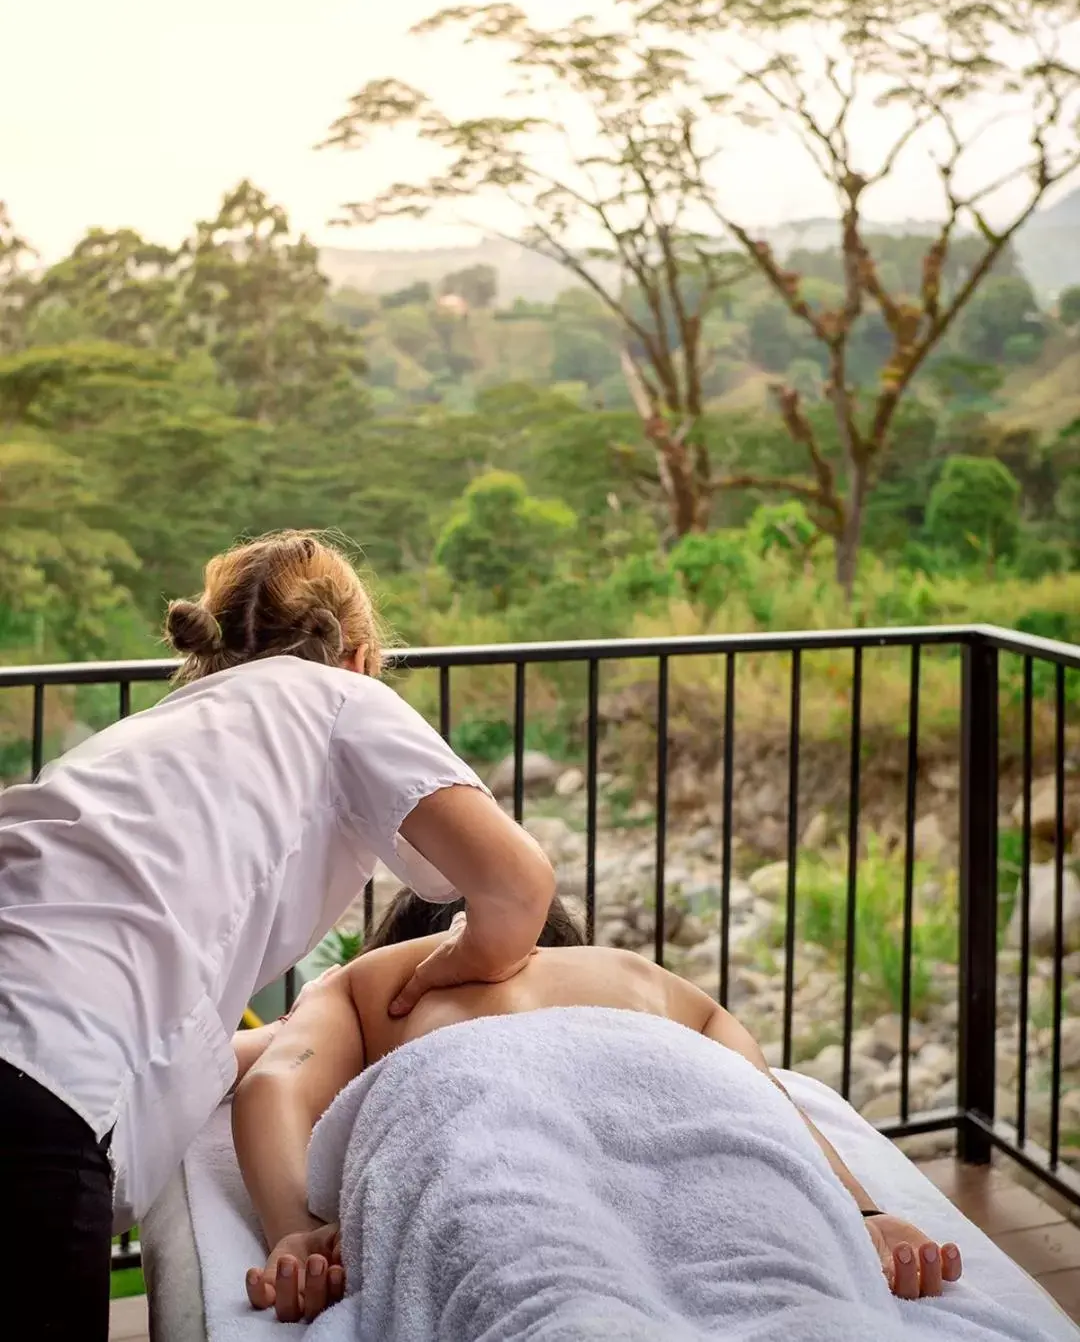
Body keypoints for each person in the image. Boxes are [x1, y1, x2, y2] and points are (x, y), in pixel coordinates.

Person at [0, 531, 554, 1341]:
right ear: (361, 656)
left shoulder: (152, 737)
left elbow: (189, 1041)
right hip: (41, 1074)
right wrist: (464, 960)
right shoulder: (340, 699)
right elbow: (515, 885)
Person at [234, 890, 964, 1326]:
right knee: (784, 1292)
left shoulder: (375, 977)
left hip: (482, 1104)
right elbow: (756, 1102)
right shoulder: (641, 975)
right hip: (680, 1082)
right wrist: (864, 1214)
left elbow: (273, 1082)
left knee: (556, 1304)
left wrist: (294, 1232)